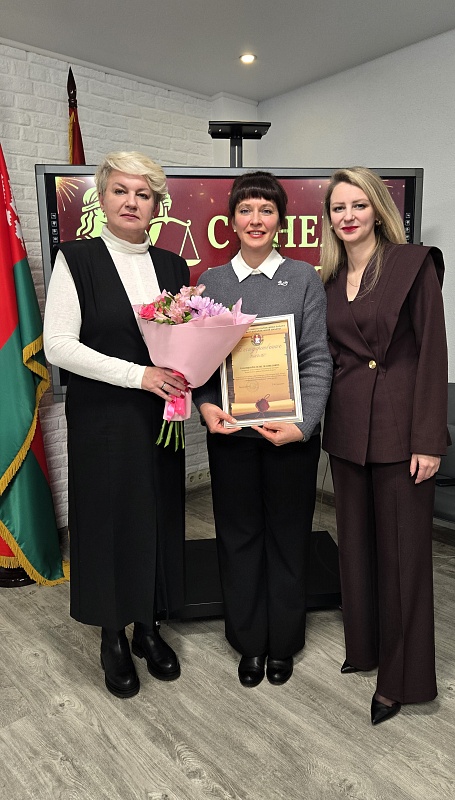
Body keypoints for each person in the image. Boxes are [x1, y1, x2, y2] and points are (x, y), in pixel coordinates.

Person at [44, 151, 189, 698]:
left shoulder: (174, 266)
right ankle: (112, 634)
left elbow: (184, 343)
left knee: (156, 515)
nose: (131, 202)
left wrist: (184, 371)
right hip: (102, 418)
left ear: (156, 205)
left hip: (160, 418)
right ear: (102, 199)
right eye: (121, 191)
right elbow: (59, 346)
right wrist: (139, 376)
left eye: (143, 194)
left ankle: (149, 625)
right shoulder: (76, 259)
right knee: (108, 521)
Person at [193, 171, 332, 687]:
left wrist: (304, 424)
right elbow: (199, 363)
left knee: (289, 537)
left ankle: (284, 642)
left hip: (290, 438)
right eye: (246, 210)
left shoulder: (303, 278)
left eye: (266, 210)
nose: (256, 220)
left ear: (280, 221)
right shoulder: (211, 282)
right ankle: (249, 642)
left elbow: (318, 358)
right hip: (231, 435)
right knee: (238, 537)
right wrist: (205, 406)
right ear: (231, 220)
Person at [320, 166, 448, 724]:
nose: (348, 216)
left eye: (358, 205)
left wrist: (429, 439)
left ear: (378, 210)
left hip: (402, 432)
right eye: (338, 208)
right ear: (329, 219)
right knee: (357, 551)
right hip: (348, 430)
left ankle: (402, 680)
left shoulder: (412, 264)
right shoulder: (327, 280)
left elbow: (433, 353)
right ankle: (365, 648)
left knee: (403, 558)